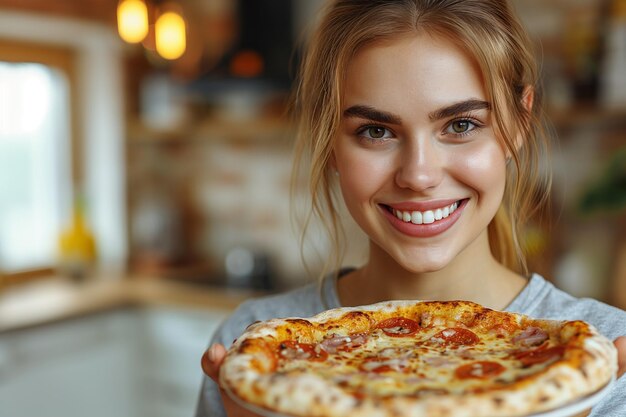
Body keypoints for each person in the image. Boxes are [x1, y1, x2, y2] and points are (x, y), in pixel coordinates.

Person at [195, 1, 626, 416]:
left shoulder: (606, 361)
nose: (419, 175)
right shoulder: (251, 346)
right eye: (376, 131)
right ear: (328, 143)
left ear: (518, 126)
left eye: (461, 125)